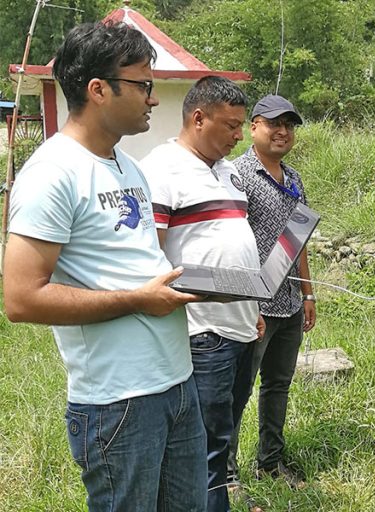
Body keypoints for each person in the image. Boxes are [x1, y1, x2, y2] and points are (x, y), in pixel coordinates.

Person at [3, 22, 207, 511]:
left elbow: (133, 259)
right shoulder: (52, 174)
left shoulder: (124, 164)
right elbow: (21, 298)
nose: (153, 99)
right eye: (143, 85)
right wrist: (139, 299)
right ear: (98, 89)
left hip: (176, 382)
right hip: (119, 403)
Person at [141, 76, 266, 512]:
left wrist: (252, 309)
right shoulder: (160, 170)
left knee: (224, 437)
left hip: (242, 327)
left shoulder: (228, 171)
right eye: (231, 126)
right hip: (202, 335)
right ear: (198, 118)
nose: (238, 136)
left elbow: (231, 242)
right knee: (203, 450)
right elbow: (150, 260)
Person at [228, 94, 316, 489]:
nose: (283, 131)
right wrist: (248, 305)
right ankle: (225, 474)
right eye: (274, 123)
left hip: (291, 303)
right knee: (237, 391)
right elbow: (229, 244)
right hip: (255, 308)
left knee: (278, 385)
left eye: (290, 125)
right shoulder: (237, 176)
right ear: (254, 127)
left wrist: (309, 294)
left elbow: (299, 241)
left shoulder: (294, 179)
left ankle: (270, 462)